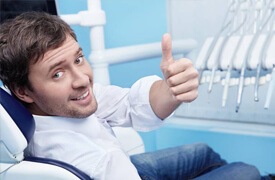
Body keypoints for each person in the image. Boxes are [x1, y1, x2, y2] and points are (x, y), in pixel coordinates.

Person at [0, 11, 268, 180]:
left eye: (79, 59)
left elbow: (128, 103)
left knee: (202, 152)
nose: (82, 80)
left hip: (129, 168)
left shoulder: (57, 104)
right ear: (22, 91)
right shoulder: (97, 160)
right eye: (58, 74)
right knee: (247, 171)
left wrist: (170, 91)